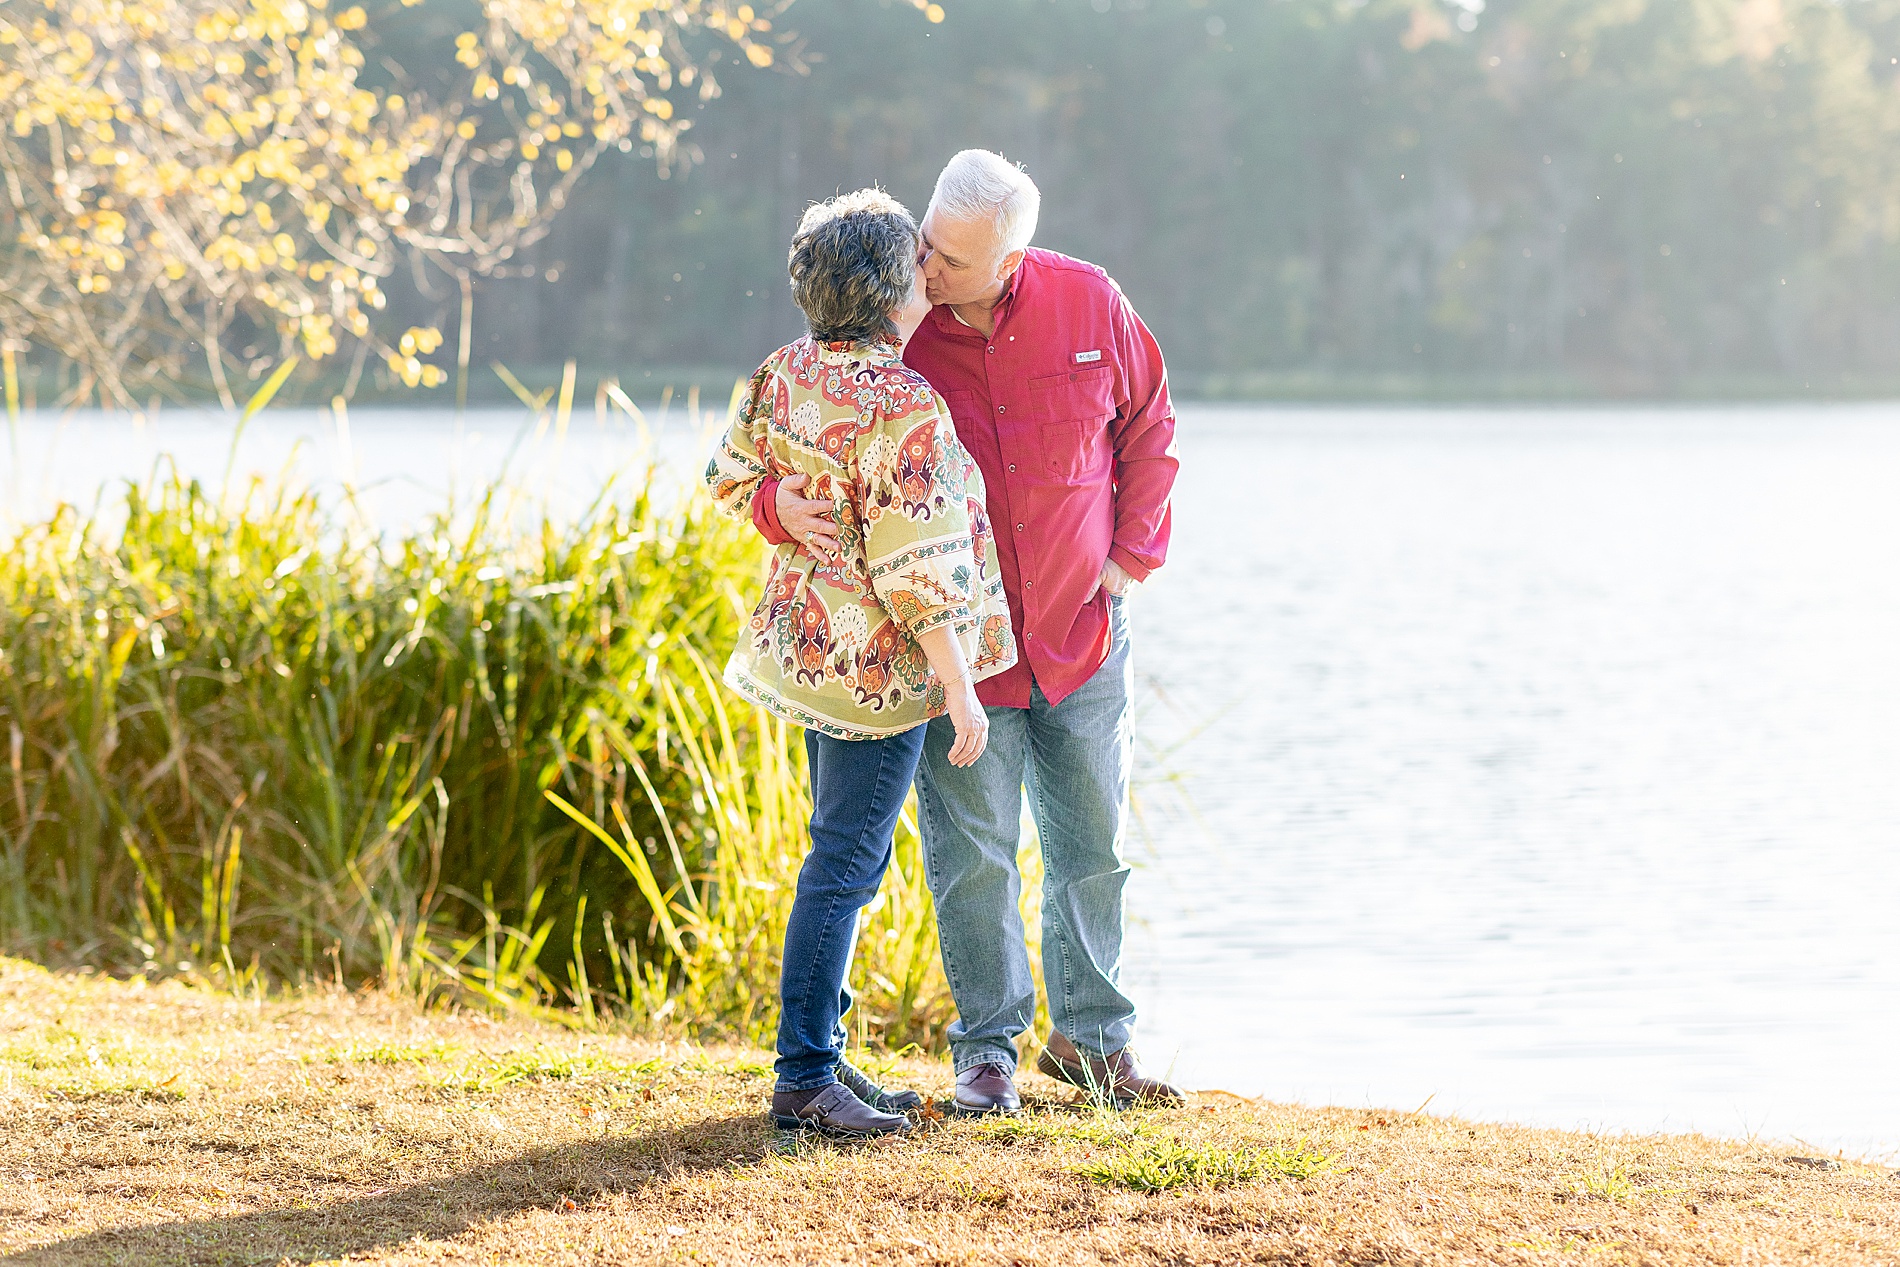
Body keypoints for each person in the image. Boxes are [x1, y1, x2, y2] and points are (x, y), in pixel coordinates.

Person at [755, 151, 1183, 1113]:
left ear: (1011, 257)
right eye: (926, 247)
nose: (928, 268)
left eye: (950, 258)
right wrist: (778, 505)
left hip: (1083, 634)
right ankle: (987, 1054)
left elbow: (1150, 428)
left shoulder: (1090, 302)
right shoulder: (893, 334)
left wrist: (1127, 563)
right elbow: (806, 432)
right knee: (973, 855)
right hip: (961, 655)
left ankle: (1092, 1041)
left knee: (1092, 844)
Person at [705, 187, 1016, 1137]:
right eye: (915, 263)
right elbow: (914, 561)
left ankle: (822, 1061)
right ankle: (804, 1077)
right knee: (845, 862)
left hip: (806, 655)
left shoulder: (783, 371)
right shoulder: (903, 403)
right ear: (890, 293)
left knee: (836, 853)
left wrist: (768, 506)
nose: (930, 273)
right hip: (877, 675)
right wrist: (961, 688)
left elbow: (725, 472)